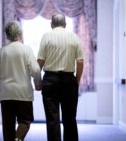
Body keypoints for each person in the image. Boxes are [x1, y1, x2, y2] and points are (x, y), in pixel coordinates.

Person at [37, 13, 84, 141]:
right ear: (65, 24)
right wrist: (77, 80)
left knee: (52, 119)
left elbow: (40, 61)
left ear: (51, 24)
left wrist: (37, 81)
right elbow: (80, 61)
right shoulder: (74, 37)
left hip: (50, 80)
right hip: (69, 81)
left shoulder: (46, 36)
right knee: (70, 118)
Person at [0, 21, 41, 141]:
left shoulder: (2, 51)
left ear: (7, 35)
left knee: (8, 126)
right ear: (20, 33)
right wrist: (38, 83)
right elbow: (36, 70)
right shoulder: (26, 50)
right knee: (25, 120)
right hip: (23, 93)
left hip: (6, 93)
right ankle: (18, 138)